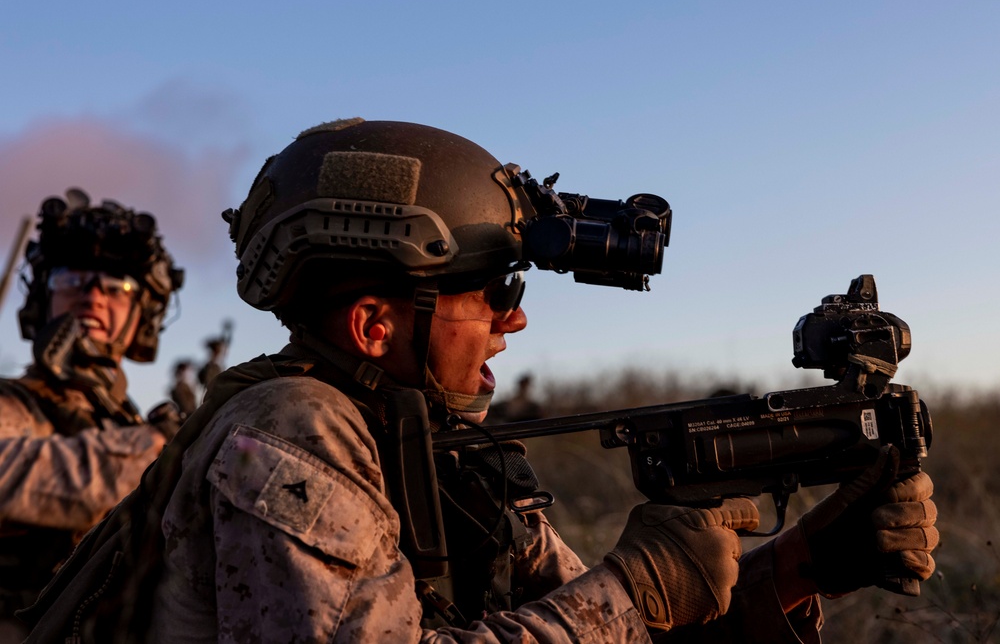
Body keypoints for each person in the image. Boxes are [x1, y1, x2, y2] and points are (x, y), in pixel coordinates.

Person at [21, 120, 937, 643]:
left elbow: (606, 627)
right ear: (377, 325)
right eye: (494, 292)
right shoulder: (291, 431)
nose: (516, 319)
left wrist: (802, 564)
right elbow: (612, 609)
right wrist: (636, 586)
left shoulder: (437, 444)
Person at [0, 189, 184, 640]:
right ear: (44, 299)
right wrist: (152, 455)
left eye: (118, 286)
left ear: (143, 315)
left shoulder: (134, 427)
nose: (93, 295)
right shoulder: (16, 403)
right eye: (71, 278)